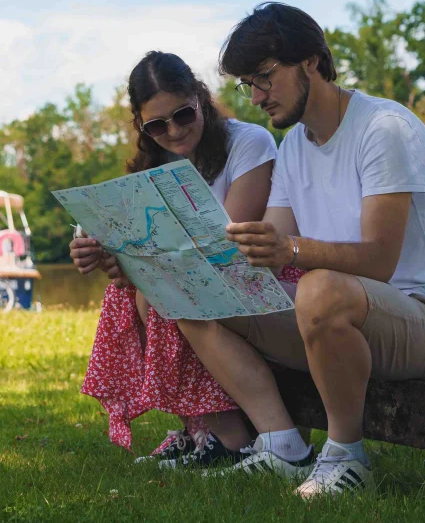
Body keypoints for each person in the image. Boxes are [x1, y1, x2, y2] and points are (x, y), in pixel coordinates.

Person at [174, 2, 425, 498]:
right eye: (246, 84)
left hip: (422, 316)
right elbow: (269, 244)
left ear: (312, 61)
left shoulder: (383, 127)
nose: (255, 97)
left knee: (318, 289)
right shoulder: (294, 145)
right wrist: (167, 250)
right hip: (337, 316)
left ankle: (345, 455)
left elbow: (379, 261)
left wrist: (290, 249)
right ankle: (282, 447)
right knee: (193, 296)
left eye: (264, 78)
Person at [70, 51, 302, 467]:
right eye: (156, 125)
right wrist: (108, 256)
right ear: (141, 125)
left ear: (201, 98)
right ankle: (200, 428)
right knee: (135, 294)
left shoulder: (248, 142)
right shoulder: (156, 162)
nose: (173, 131)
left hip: (257, 268)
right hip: (193, 276)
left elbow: (233, 243)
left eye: (183, 115)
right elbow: (139, 264)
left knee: (168, 289)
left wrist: (147, 261)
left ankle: (229, 435)